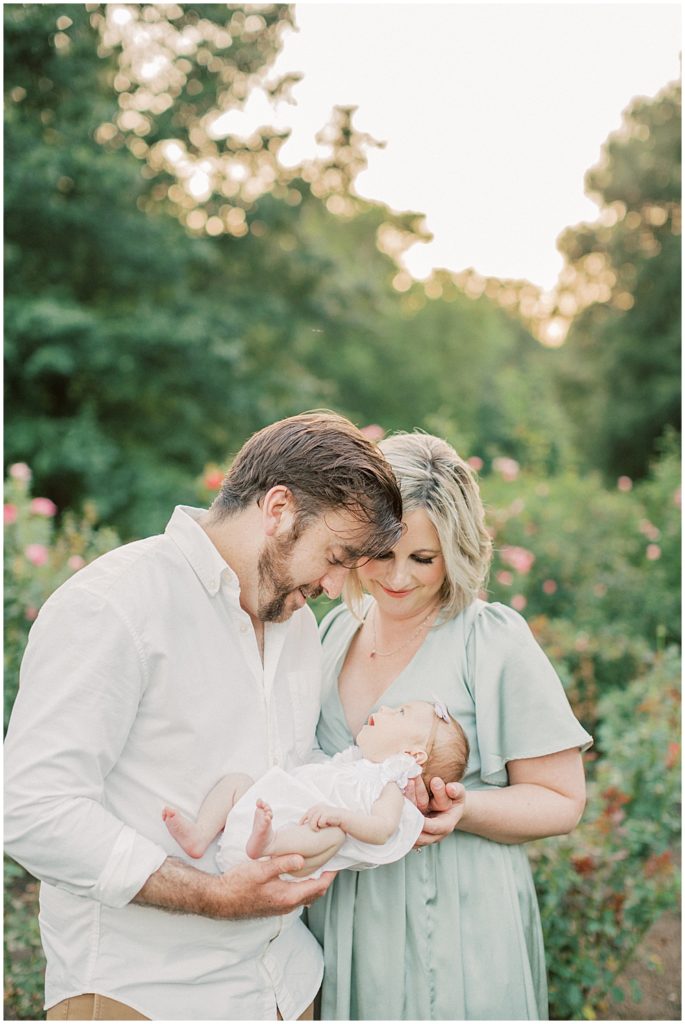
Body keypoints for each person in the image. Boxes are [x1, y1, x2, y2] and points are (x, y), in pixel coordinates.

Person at [3, 411, 404, 1022]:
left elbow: (287, 776)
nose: (334, 584)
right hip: (143, 996)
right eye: (338, 556)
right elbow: (33, 810)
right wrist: (212, 897)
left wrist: (385, 794)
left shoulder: (293, 623)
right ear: (277, 510)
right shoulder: (113, 606)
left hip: (285, 987)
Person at [306, 432, 593, 1021]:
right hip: (339, 917)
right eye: (382, 553)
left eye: (423, 559)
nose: (397, 578)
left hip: (456, 918)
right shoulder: (335, 633)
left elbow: (563, 800)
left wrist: (465, 810)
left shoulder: (491, 640)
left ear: (455, 552)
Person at [162, 700, 469, 878]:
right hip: (260, 817)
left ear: (413, 756)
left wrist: (341, 818)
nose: (386, 708)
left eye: (400, 713)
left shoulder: (388, 788)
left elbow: (382, 830)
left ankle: (269, 843)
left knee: (333, 837)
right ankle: (201, 835)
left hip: (286, 851)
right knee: (238, 782)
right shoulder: (353, 763)